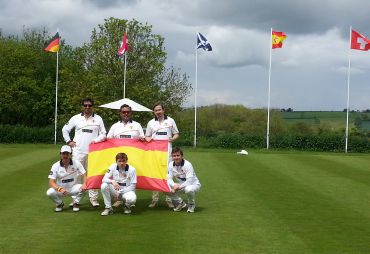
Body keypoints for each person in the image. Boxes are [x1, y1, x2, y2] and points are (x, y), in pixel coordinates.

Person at [62, 97, 106, 207]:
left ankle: (93, 199)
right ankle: (75, 200)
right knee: (76, 175)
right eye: (85, 105)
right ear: (82, 106)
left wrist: (95, 141)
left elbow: (103, 133)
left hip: (93, 152)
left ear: (92, 106)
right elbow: (65, 129)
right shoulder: (76, 118)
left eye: (89, 105)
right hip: (78, 151)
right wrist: (69, 141)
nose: (87, 107)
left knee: (92, 175)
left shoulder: (98, 119)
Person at [107, 103, 144, 207]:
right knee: (119, 176)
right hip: (119, 157)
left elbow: (143, 138)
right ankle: (118, 199)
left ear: (131, 113)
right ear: (120, 113)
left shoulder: (137, 125)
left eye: (128, 112)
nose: (126, 114)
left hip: (134, 157)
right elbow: (108, 139)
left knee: (131, 177)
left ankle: (130, 200)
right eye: (124, 112)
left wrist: (143, 139)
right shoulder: (115, 126)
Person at [145, 102, 179, 208]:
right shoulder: (151, 123)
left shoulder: (170, 120)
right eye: (156, 110)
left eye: (160, 110)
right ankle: (155, 200)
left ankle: (169, 199)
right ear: (154, 112)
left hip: (167, 153)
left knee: (167, 175)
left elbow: (176, 134)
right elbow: (147, 136)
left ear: (163, 110)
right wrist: (148, 139)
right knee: (155, 175)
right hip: (155, 153)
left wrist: (172, 139)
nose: (158, 112)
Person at [46, 145, 87, 212]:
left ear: (70, 154)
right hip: (60, 190)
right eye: (63, 153)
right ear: (60, 154)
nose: (65, 156)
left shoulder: (76, 163)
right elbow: (51, 182)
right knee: (49, 192)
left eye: (67, 154)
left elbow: (84, 174)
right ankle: (59, 204)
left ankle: (76, 203)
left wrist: (85, 184)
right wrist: (60, 189)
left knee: (86, 187)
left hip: (73, 188)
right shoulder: (55, 166)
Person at [167, 147, 201, 213]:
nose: (176, 157)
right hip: (181, 186)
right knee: (166, 188)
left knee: (188, 189)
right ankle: (180, 203)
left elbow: (189, 181)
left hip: (193, 185)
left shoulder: (187, 164)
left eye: (178, 155)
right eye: (174, 156)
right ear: (172, 157)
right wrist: (174, 185)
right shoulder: (170, 165)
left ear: (182, 156)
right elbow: (169, 178)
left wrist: (178, 187)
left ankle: (191, 204)